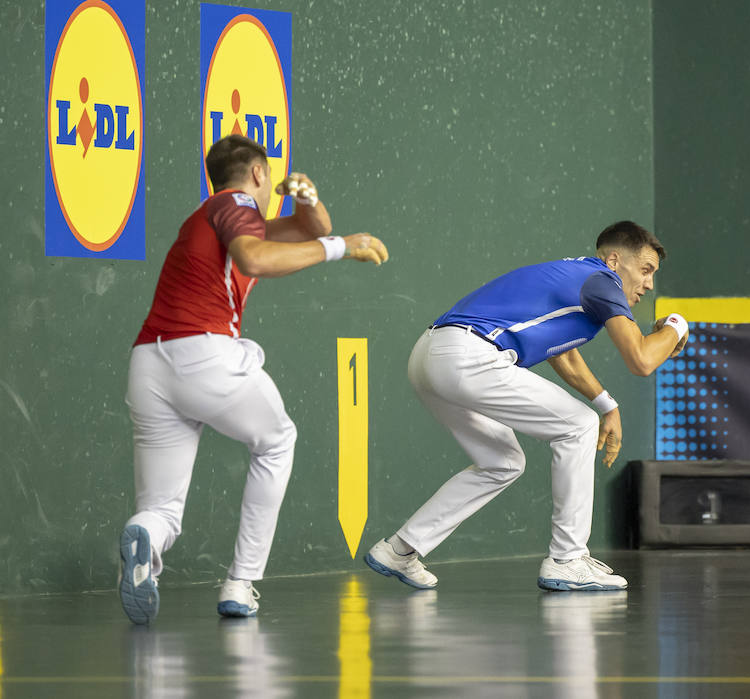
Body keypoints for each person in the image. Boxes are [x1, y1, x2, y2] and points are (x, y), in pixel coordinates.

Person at [119, 134, 390, 624]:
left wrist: (308, 201)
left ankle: (144, 541)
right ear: (259, 175)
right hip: (203, 354)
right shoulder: (235, 204)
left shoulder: (216, 218)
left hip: (150, 365)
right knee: (277, 440)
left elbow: (307, 231)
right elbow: (257, 259)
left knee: (159, 507)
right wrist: (341, 247)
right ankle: (241, 583)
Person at [365, 221, 688, 592]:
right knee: (578, 425)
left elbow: (562, 354)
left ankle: (400, 549)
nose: (648, 284)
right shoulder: (603, 281)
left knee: (502, 461)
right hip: (469, 357)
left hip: (431, 356)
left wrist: (606, 404)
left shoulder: (574, 278)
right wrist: (677, 327)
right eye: (645, 271)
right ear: (614, 260)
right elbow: (642, 360)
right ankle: (567, 559)